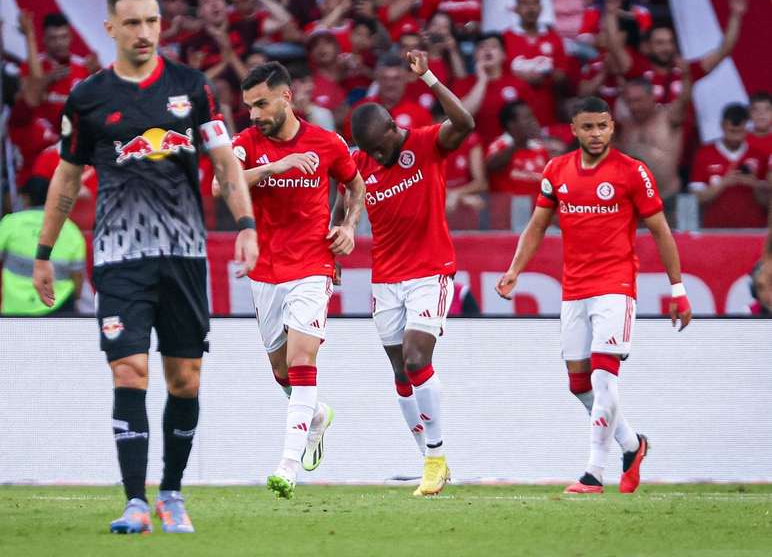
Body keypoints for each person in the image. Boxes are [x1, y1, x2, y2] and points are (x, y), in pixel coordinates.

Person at [32, 0, 258, 535]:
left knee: (185, 378)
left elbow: (225, 163)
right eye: (132, 23)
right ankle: (135, 500)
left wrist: (247, 226)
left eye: (152, 21)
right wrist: (44, 251)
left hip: (183, 253)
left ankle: (172, 494)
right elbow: (67, 176)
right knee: (129, 370)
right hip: (119, 255)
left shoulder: (193, 88)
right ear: (110, 28)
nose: (145, 33)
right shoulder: (89, 97)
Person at [495, 96, 693, 494]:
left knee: (604, 377)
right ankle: (632, 446)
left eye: (602, 126)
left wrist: (678, 288)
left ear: (612, 127)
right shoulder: (556, 170)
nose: (597, 134)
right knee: (579, 384)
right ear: (574, 130)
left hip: (615, 287)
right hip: (574, 290)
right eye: (588, 127)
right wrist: (515, 269)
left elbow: (660, 230)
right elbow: (536, 226)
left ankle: (593, 473)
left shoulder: (632, 172)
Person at [220, 62, 364, 499]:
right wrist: (273, 168)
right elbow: (220, 184)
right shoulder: (245, 143)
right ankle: (316, 416)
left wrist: (349, 226)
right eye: (248, 106)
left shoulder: (327, 142)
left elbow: (354, 187)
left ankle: (287, 465)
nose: (254, 114)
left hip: (312, 264)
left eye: (261, 103)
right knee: (282, 372)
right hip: (265, 269)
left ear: (286, 98)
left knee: (303, 362)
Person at [341, 50, 475, 496]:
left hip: (430, 272)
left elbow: (466, 124)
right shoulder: (361, 166)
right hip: (386, 279)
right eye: (371, 149)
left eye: (382, 145)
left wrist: (431, 79)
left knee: (419, 357)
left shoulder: (424, 142)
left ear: (394, 127)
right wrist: (340, 237)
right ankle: (430, 460)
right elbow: (347, 207)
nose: (379, 154)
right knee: (401, 373)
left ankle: (435, 456)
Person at [0, 177, 86, 316]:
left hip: (18, 312)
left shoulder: (12, 223)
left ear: (26, 198)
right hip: (59, 310)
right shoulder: (72, 231)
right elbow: (78, 285)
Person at [688, 104, 769, 228]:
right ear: (723, 126)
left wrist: (754, 184)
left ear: (747, 128)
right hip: (715, 229)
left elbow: (767, 202)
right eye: (732, 131)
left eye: (740, 131)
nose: (736, 137)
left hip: (753, 229)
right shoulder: (704, 154)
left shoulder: (759, 155)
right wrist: (724, 183)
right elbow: (696, 198)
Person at [503, 0, 568, 127]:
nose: (530, 8)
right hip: (515, 121)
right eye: (525, 3)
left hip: (548, 115)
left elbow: (563, 75)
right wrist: (521, 78)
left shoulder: (553, 38)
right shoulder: (506, 38)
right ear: (516, 8)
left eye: (534, 3)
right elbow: (500, 76)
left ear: (541, 7)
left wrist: (547, 76)